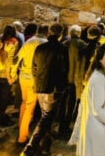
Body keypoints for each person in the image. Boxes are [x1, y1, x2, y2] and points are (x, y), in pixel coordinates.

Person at [21, 23, 69, 156]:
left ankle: (46, 147)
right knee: (46, 118)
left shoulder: (40, 47)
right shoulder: (62, 48)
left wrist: (37, 81)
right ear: (60, 33)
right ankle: (31, 146)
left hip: (40, 86)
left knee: (47, 117)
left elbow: (34, 67)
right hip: (52, 89)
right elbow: (64, 70)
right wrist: (62, 87)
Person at [10, 24, 49, 147]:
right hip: (33, 78)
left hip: (23, 76)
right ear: (47, 32)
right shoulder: (45, 43)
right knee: (29, 108)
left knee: (24, 103)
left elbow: (16, 58)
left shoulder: (30, 41)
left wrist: (12, 74)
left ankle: (21, 130)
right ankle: (22, 137)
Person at [58, 24, 87, 137]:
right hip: (77, 79)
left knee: (63, 103)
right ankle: (68, 127)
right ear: (79, 33)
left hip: (65, 78)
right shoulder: (83, 45)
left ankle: (62, 126)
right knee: (72, 104)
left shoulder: (64, 44)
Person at [0, 25, 19, 127]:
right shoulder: (14, 42)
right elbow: (11, 61)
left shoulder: (0, 41)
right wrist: (12, 76)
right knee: (4, 100)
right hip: (6, 76)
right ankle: (0, 119)